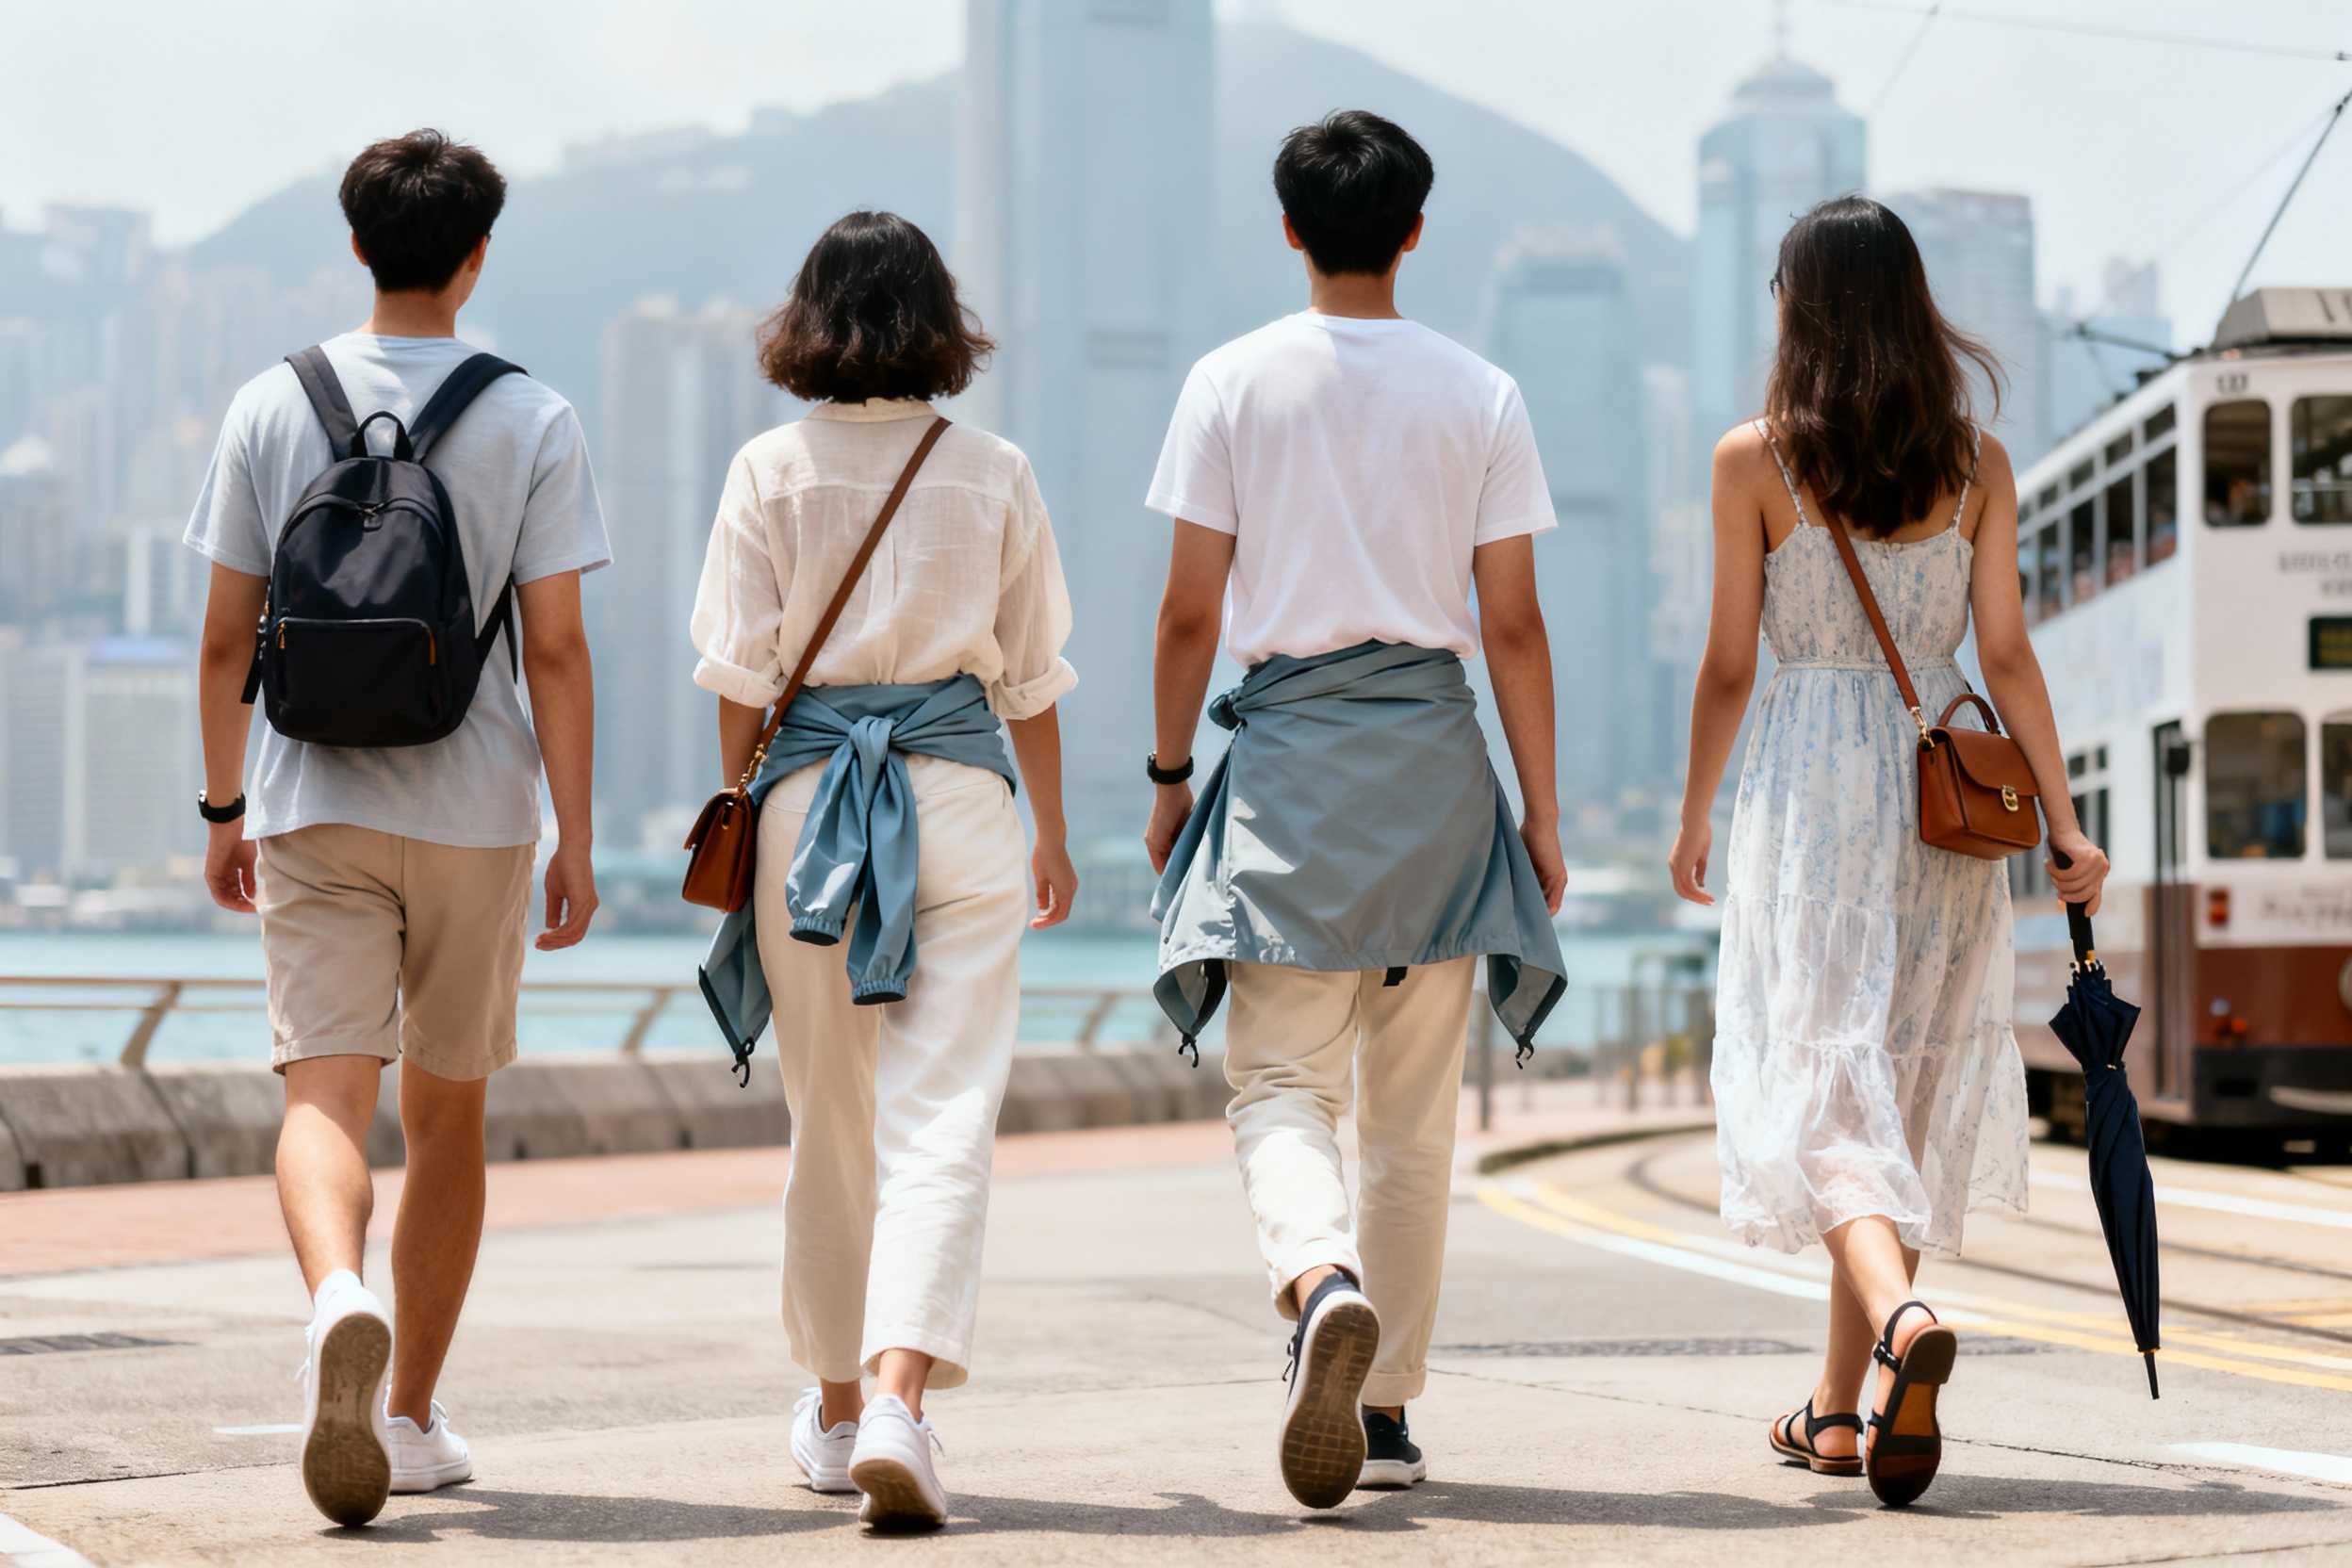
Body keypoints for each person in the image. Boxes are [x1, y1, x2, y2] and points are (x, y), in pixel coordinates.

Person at [1143, 110, 1568, 1511]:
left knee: (1279, 1081)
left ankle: (1318, 1279)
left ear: (1288, 230)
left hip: (1290, 778)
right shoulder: (1482, 392)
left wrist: (1164, 782)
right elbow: (1511, 628)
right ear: (1415, 232)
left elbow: (1192, 609)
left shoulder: (1228, 383)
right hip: (1440, 776)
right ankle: (1383, 1416)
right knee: (1415, 1119)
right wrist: (1542, 816)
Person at [186, 129, 610, 1527]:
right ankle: (413, 1415)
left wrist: (222, 809)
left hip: (310, 796)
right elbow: (555, 651)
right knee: (449, 1120)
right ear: (477, 255)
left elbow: (220, 640)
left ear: (357, 246)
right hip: (478, 809)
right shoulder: (532, 416)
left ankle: (336, 1299)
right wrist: (577, 837)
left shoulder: (270, 403)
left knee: (323, 1094)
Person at [1669, 195, 2109, 1509]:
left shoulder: (1756, 460)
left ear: (1798, 310)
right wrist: (2068, 825)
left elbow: (1731, 662)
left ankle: (1904, 1327)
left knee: (1818, 1086)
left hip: (1811, 791)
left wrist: (1696, 812)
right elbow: (2009, 654)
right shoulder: (1976, 461)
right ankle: (1841, 1414)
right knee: (1892, 1087)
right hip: (1941, 800)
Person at [688, 210, 1078, 1532]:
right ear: (937, 322)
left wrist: (747, 807)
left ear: (810, 321)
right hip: (963, 799)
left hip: (805, 815)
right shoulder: (994, 470)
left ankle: (840, 1407)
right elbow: (1031, 678)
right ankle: (905, 1398)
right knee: (943, 1114)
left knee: (831, 1121)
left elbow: (740, 684)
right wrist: (1058, 837)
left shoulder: (766, 469)